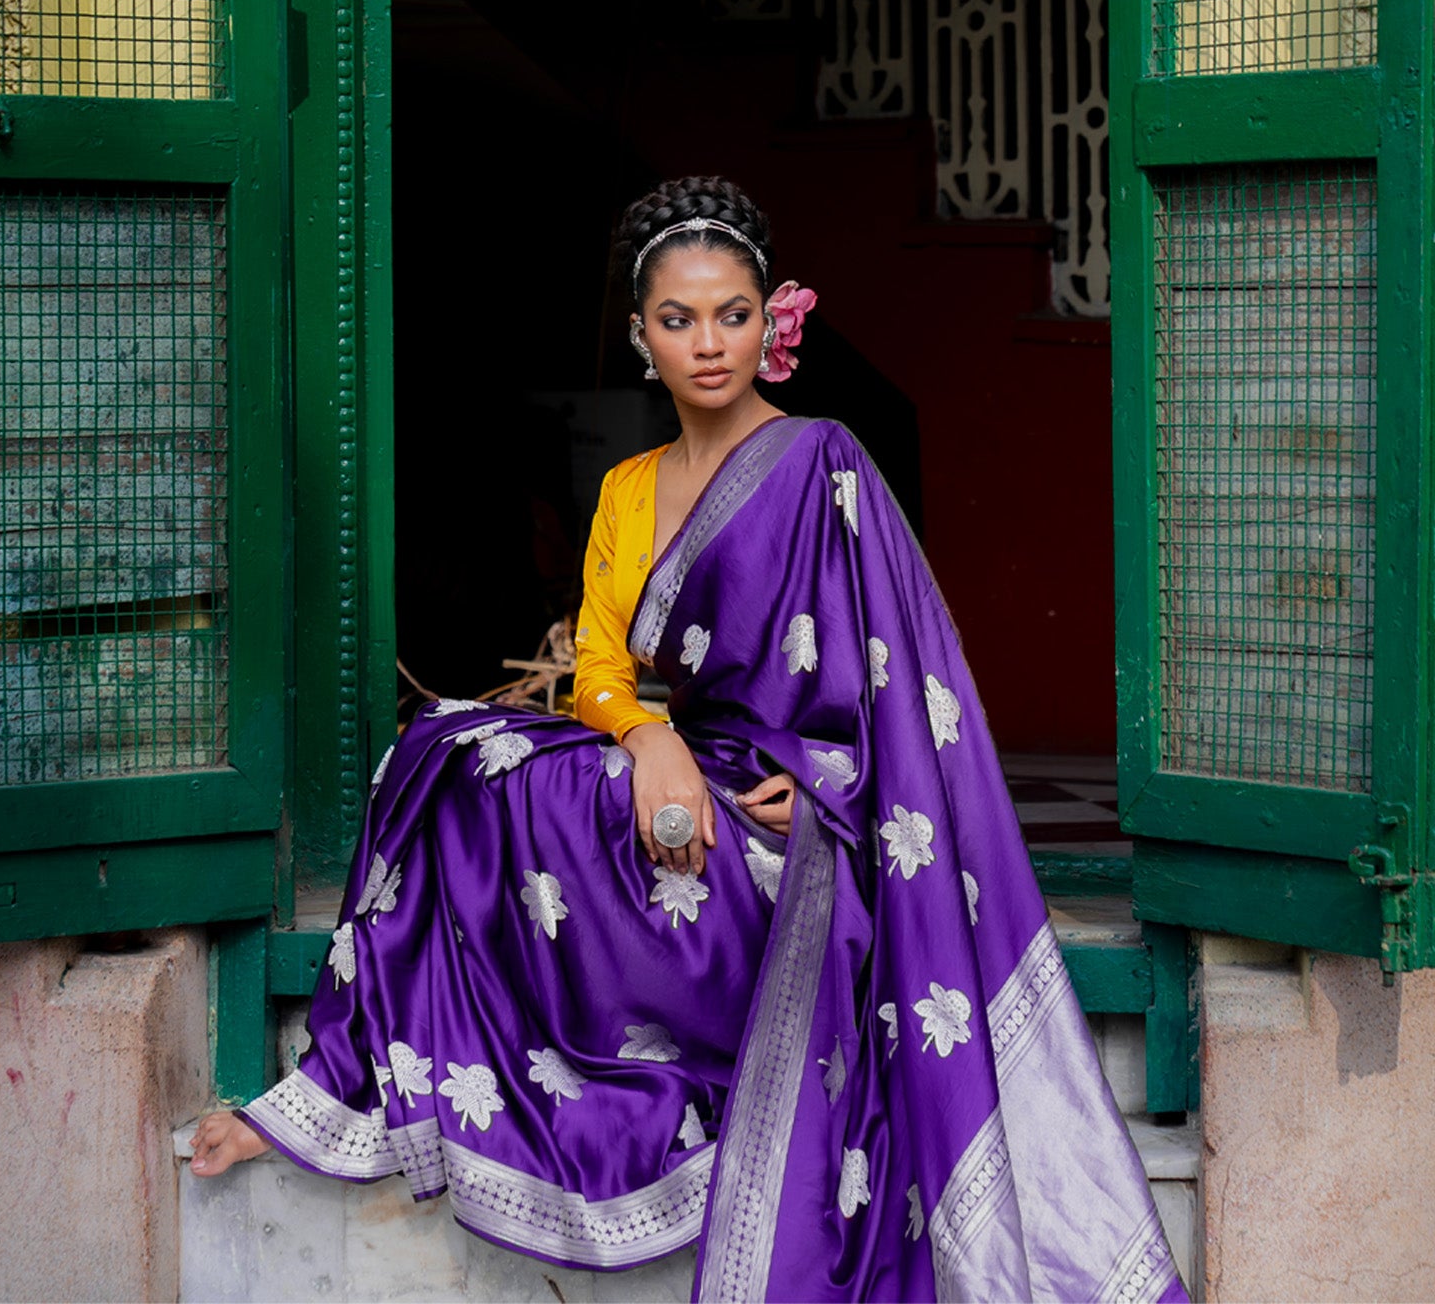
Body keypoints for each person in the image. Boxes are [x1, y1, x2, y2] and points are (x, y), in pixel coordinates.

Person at [191, 176, 1186, 1304]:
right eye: (678, 319)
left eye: (731, 314)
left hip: (808, 828)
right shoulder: (626, 489)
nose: (707, 344)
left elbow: (911, 700)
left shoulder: (826, 464)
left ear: (774, 321)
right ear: (639, 335)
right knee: (449, 749)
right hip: (675, 782)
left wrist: (823, 786)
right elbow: (603, 667)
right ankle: (339, 1087)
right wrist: (649, 742)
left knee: (658, 846)